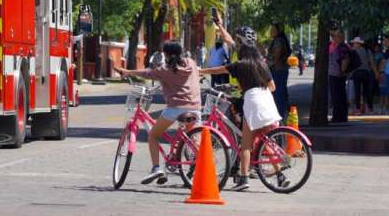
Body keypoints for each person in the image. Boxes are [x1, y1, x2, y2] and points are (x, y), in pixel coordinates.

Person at [200, 23, 285, 192]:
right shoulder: (262, 64)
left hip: (252, 102)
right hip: (267, 101)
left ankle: (244, 178)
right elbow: (273, 87)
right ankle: (281, 176)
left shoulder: (239, 64)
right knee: (266, 140)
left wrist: (200, 71)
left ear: (241, 48)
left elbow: (218, 70)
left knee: (246, 144)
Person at [116, 40, 202, 185]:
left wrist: (128, 72)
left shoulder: (165, 70)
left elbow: (147, 73)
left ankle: (156, 168)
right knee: (194, 141)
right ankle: (201, 166)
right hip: (195, 108)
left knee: (153, 135)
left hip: (175, 108)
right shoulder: (191, 63)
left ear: (166, 54)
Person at [267, 23, 291, 119]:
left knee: (278, 95)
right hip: (280, 70)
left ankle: (279, 116)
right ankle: (283, 115)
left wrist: (270, 64)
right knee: (281, 94)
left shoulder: (279, 41)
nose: (271, 32)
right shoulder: (279, 40)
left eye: (273, 30)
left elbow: (276, 55)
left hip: (278, 70)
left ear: (278, 31)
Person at [349, 37, 378, 115]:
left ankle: (358, 109)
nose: (354, 44)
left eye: (355, 43)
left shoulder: (352, 51)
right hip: (366, 72)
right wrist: (376, 73)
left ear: (358, 44)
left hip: (356, 73)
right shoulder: (367, 50)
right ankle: (370, 109)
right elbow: (372, 63)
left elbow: (349, 63)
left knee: (357, 91)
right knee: (368, 92)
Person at [328, 29, 350, 123]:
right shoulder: (336, 46)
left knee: (337, 97)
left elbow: (346, 59)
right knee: (338, 96)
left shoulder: (342, 47)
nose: (335, 38)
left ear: (341, 37)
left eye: (337, 36)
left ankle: (338, 117)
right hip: (335, 74)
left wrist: (343, 70)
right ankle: (340, 116)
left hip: (337, 75)